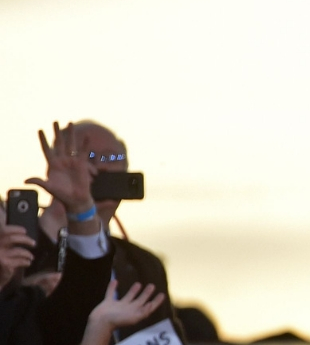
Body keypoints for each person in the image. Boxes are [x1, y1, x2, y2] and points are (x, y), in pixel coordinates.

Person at [36, 121, 187, 344]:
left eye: (111, 158)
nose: (101, 167)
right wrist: (65, 209)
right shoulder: (18, 248)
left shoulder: (142, 265)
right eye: (87, 157)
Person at [1, 123, 112, 345]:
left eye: (8, 234)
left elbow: (82, 300)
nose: (6, 244)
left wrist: (80, 209)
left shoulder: (26, 310)